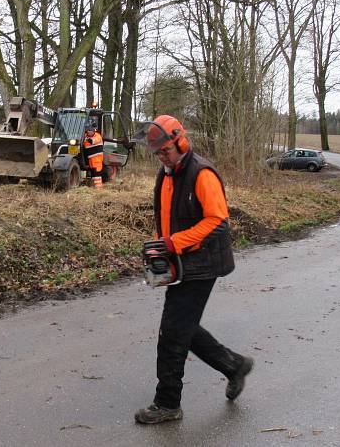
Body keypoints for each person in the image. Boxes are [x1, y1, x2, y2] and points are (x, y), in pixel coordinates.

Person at [132, 115, 253, 425]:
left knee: (172, 332)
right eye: (157, 153)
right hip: (182, 260)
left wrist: (174, 244)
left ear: (181, 141)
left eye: (166, 151)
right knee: (183, 327)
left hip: (203, 262)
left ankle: (168, 403)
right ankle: (234, 365)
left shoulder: (201, 173)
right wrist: (161, 249)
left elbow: (217, 221)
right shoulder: (167, 172)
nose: (162, 157)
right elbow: (168, 216)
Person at [83, 122, 104, 189]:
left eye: (91, 131)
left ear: (94, 131)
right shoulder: (86, 135)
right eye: (88, 131)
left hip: (97, 159)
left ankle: (98, 188)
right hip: (90, 159)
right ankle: (93, 187)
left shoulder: (97, 136)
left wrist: (85, 138)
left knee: (97, 174)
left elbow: (92, 141)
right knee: (92, 174)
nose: (89, 132)